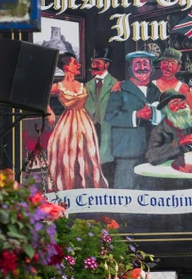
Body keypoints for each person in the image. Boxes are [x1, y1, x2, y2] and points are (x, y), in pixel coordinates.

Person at [45, 52, 108, 190]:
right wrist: (49, 112)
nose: (79, 65)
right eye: (75, 63)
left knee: (87, 154)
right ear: (66, 67)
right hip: (68, 124)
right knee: (69, 154)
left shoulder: (81, 85)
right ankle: (68, 188)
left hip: (85, 122)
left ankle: (88, 187)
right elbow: (40, 95)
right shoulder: (58, 86)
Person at [104, 51, 162, 189]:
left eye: (145, 63)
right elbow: (110, 115)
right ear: (131, 68)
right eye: (137, 64)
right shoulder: (120, 89)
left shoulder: (156, 90)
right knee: (126, 191)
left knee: (149, 190)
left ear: (151, 68)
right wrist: (136, 115)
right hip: (127, 149)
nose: (142, 67)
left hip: (151, 151)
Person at [145, 90, 192, 166]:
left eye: (182, 101)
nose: (182, 105)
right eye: (175, 103)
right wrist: (179, 142)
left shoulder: (189, 125)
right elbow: (151, 156)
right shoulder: (159, 130)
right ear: (166, 109)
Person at [84, 48, 120, 183]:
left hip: (108, 129)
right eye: (93, 63)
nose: (94, 66)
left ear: (107, 65)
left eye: (98, 63)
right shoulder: (87, 86)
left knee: (106, 163)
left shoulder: (116, 84)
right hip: (91, 128)